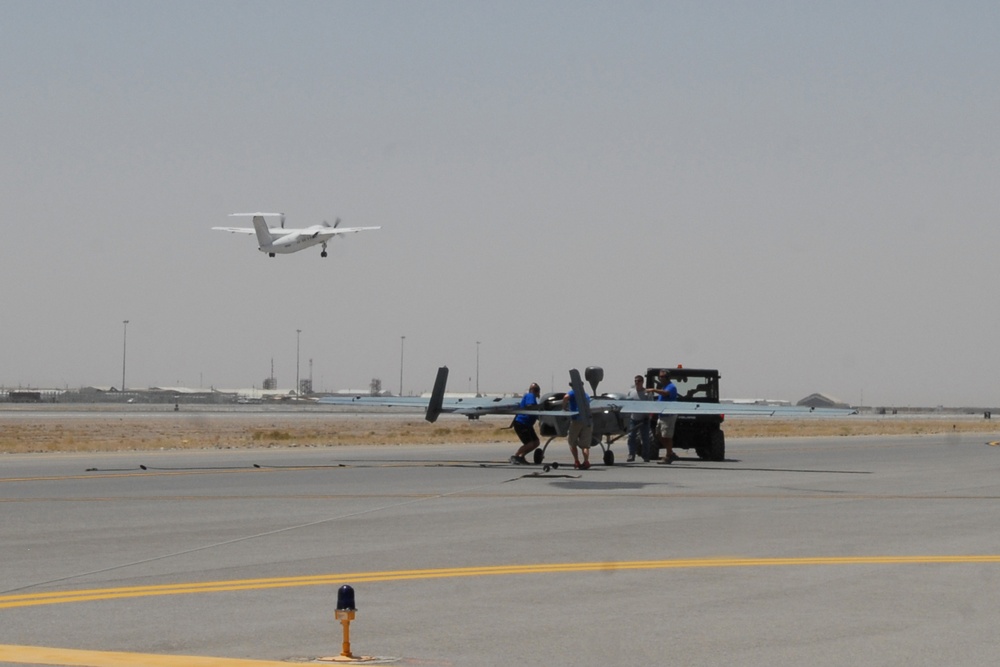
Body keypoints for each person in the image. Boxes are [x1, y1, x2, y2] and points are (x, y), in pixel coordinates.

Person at [648, 369, 680, 464]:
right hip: (661, 415)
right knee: (658, 434)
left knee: (667, 436)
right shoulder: (664, 387)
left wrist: (653, 390)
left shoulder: (671, 387)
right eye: (660, 377)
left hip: (669, 416)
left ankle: (668, 456)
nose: (661, 378)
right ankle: (670, 452)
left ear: (667, 377)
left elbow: (666, 394)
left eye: (663, 377)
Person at [509, 383, 542, 465]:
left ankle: (521, 457)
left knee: (536, 442)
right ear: (536, 391)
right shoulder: (530, 396)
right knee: (530, 443)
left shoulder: (532, 398)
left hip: (528, 425)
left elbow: (534, 412)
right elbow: (530, 406)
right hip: (522, 423)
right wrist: (541, 407)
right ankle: (515, 456)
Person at [562, 386, 592, 469]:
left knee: (572, 442)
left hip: (576, 420)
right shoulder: (585, 395)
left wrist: (564, 407)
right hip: (587, 420)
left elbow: (566, 397)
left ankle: (576, 461)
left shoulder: (573, 392)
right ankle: (586, 461)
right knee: (585, 445)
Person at [625, 374, 653, 462]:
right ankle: (631, 454)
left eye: (639, 381)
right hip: (633, 419)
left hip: (644, 419)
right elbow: (628, 403)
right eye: (635, 381)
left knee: (645, 438)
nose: (637, 383)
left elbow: (651, 405)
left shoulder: (647, 393)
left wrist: (648, 416)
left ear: (642, 382)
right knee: (631, 437)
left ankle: (646, 455)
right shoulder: (631, 392)